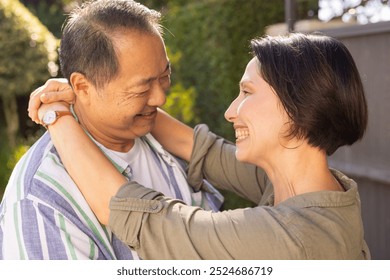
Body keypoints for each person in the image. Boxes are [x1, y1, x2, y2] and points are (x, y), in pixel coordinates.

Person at [29, 32, 371, 259]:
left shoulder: (296, 239)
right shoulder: (303, 185)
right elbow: (196, 148)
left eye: (247, 93)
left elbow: (142, 218)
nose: (230, 111)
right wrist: (100, 95)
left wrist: (57, 115)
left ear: (297, 106)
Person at [0, 0, 222, 260]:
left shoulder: (165, 142)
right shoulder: (42, 199)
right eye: (142, 88)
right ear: (82, 87)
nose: (160, 98)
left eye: (165, 75)